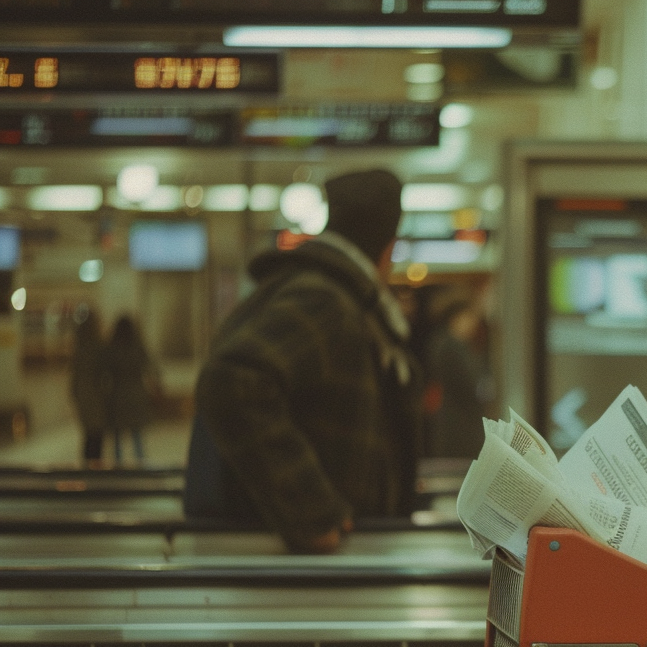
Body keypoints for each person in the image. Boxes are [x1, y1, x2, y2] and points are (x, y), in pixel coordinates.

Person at [186, 168, 421, 553]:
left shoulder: (315, 288)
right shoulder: (327, 300)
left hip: (324, 558)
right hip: (307, 567)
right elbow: (232, 381)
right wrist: (311, 514)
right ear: (388, 247)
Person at [419, 280, 493, 458]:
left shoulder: (442, 342)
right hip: (460, 428)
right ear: (460, 315)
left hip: (452, 424)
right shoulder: (452, 346)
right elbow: (476, 384)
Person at [104, 314, 158, 464]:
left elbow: (104, 371)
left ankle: (118, 466)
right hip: (136, 394)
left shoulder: (112, 348)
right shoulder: (138, 346)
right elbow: (151, 367)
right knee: (137, 435)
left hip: (117, 396)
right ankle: (141, 464)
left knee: (117, 437)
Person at [68, 306, 109, 464]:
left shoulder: (79, 346)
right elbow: (103, 371)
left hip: (83, 394)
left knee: (88, 434)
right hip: (96, 395)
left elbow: (75, 375)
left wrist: (74, 394)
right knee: (96, 435)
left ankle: (86, 466)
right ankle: (94, 467)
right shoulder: (98, 345)